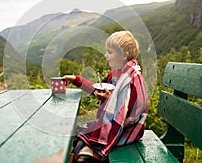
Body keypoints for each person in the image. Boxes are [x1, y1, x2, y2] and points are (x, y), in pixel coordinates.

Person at [64, 31, 149, 163]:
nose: (106, 55)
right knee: (76, 133)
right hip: (115, 123)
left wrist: (109, 99)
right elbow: (99, 88)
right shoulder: (116, 74)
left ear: (123, 55)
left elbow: (125, 115)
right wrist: (77, 80)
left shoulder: (130, 78)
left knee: (84, 154)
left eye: (110, 52)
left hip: (127, 130)